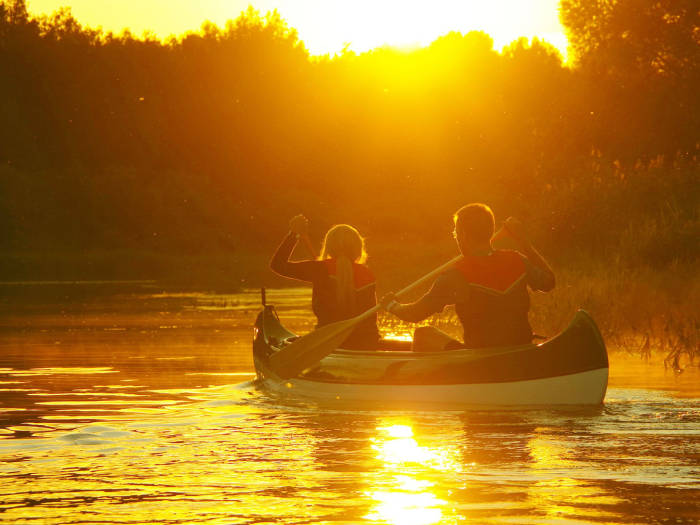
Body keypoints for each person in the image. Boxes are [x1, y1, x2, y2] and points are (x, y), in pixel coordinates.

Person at [382, 203, 555, 351]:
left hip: (481, 357)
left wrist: (391, 305)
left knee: (423, 334)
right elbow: (549, 281)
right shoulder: (517, 259)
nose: (456, 238)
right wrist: (524, 241)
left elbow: (415, 314)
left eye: (456, 233)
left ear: (463, 234)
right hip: (521, 347)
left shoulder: (455, 275)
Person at [270, 214, 380, 349]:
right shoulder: (368, 274)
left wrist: (293, 235)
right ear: (358, 248)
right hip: (366, 343)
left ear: (329, 247)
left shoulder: (319, 269)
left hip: (328, 341)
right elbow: (371, 320)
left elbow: (278, 265)